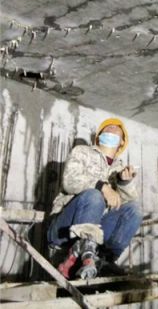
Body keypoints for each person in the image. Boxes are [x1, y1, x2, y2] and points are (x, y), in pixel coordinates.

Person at [47, 118, 142, 280]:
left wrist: (123, 183)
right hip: (64, 231)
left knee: (134, 210)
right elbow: (69, 182)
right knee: (95, 196)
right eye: (107, 128)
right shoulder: (82, 151)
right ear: (99, 136)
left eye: (116, 129)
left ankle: (105, 259)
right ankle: (84, 252)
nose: (111, 129)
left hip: (97, 231)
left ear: (121, 142)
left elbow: (127, 204)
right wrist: (102, 187)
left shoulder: (119, 169)